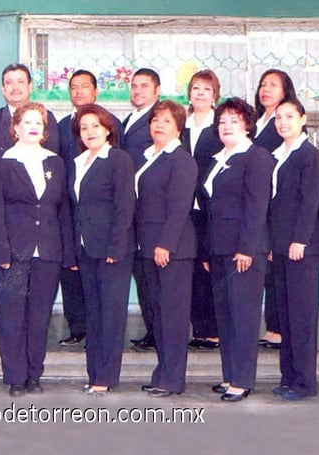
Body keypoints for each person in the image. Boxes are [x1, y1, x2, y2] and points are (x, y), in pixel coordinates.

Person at [0, 102, 75, 397]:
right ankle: (15, 377)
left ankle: (35, 374)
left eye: (39, 122)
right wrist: (1, 252)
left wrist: (67, 252)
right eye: (27, 122)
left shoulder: (55, 162)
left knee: (39, 317)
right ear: (16, 127)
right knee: (11, 317)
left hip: (47, 252)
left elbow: (62, 211)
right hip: (12, 252)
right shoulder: (1, 162)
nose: (33, 127)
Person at [203, 97, 274, 402]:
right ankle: (231, 374)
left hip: (244, 251)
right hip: (220, 248)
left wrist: (247, 248)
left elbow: (257, 207)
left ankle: (243, 380)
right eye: (222, 121)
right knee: (226, 315)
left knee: (243, 316)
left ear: (247, 124)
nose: (227, 126)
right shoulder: (219, 158)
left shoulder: (256, 157)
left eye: (234, 120)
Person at [71, 104, 135, 396]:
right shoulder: (78, 161)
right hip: (86, 249)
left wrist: (116, 246)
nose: (90, 132)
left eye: (96, 125)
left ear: (108, 129)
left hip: (112, 250)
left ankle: (106, 376)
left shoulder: (118, 159)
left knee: (111, 315)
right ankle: (94, 372)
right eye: (84, 127)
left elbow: (124, 206)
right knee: (94, 314)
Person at [135, 101, 198, 398]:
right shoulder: (149, 156)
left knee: (172, 316)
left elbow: (179, 207)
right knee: (159, 314)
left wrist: (166, 244)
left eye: (167, 121)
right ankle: (162, 372)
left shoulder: (181, 160)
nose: (159, 125)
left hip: (171, 250)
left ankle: (172, 379)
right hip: (149, 247)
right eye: (155, 120)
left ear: (178, 127)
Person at [56, 69, 122, 346]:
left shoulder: (112, 124)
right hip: (70, 206)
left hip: (101, 214)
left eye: (85, 86)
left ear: (96, 91)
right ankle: (77, 326)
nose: (79, 91)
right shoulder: (60, 125)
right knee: (71, 271)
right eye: (74, 87)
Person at [267, 99, 319, 401]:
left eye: (290, 116)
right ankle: (288, 377)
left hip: (301, 246)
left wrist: (300, 239)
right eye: (278, 117)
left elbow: (310, 200)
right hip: (281, 245)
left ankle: (304, 383)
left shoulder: (308, 154)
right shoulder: (279, 154)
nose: (283, 122)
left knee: (301, 317)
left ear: (303, 119)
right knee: (286, 315)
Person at [253, 68, 297, 350]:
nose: (266, 89)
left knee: (278, 269)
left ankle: (279, 328)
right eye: (263, 85)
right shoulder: (258, 121)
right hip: (260, 201)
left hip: (277, 202)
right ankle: (273, 326)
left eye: (273, 85)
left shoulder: (283, 123)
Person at [181, 69, 223, 350]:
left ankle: (215, 330)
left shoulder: (220, 126)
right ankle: (199, 328)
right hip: (186, 208)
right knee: (193, 270)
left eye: (206, 89)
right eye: (196, 88)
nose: (200, 93)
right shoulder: (181, 124)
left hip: (211, 207)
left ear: (214, 96)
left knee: (211, 268)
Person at [122, 68, 162, 352]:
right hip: (131, 208)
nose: (137, 91)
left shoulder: (158, 120)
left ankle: (161, 332)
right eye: (134, 86)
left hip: (151, 209)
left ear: (157, 91)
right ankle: (152, 329)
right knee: (143, 275)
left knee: (155, 276)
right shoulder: (127, 120)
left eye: (144, 86)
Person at [0, 63, 60, 165]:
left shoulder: (47, 117)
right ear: (3, 89)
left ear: (30, 87)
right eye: (9, 82)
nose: (15, 87)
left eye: (20, 82)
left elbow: (52, 158)